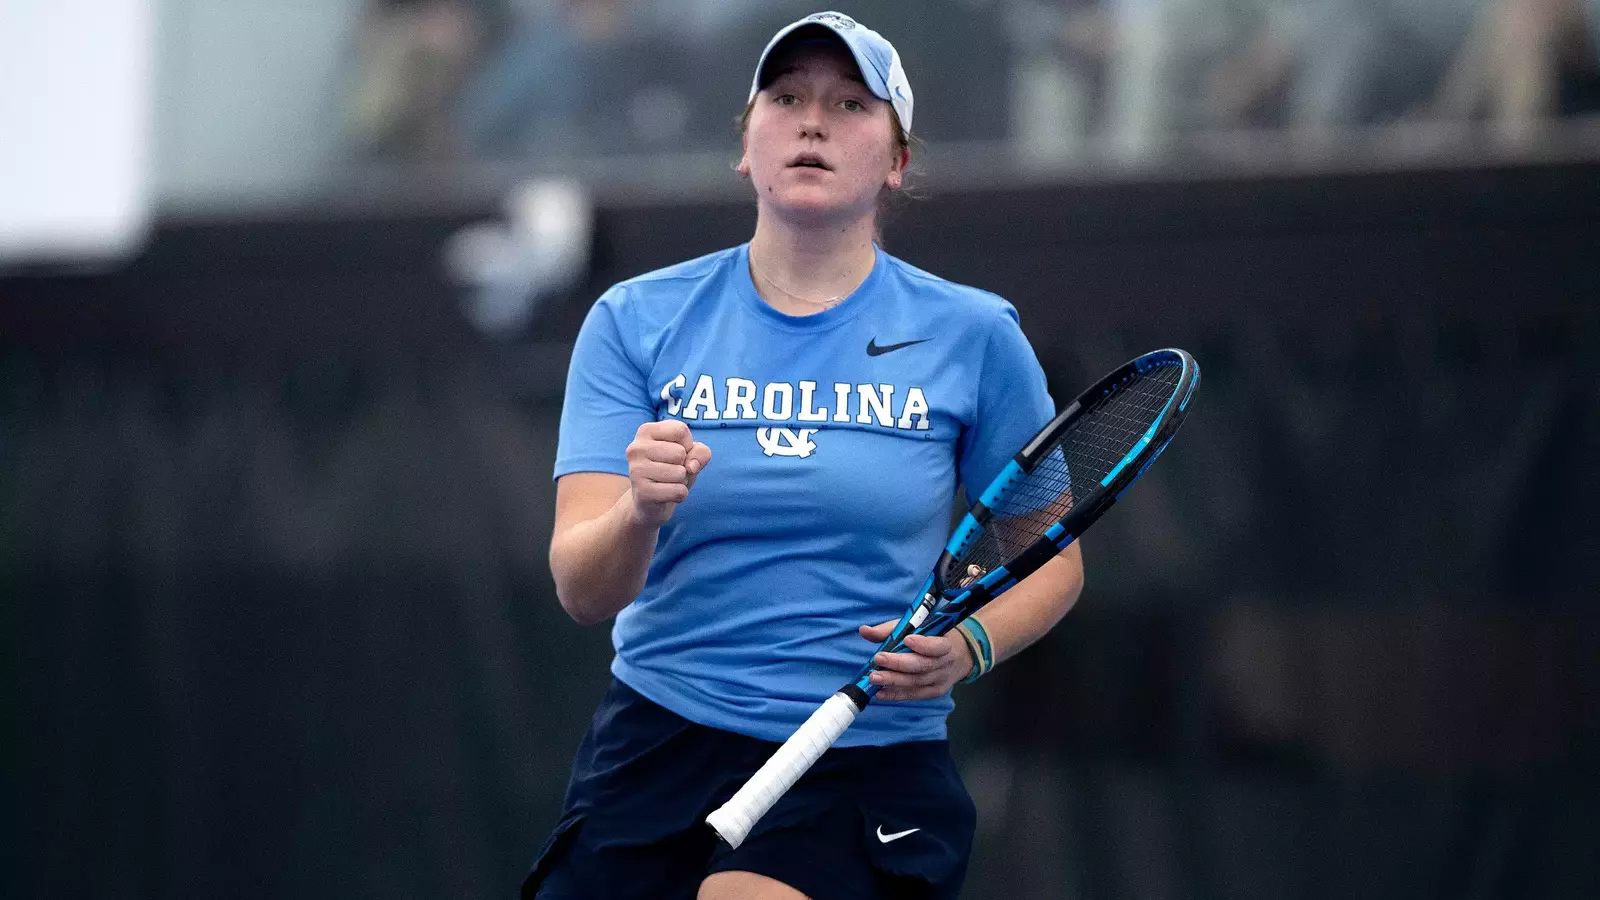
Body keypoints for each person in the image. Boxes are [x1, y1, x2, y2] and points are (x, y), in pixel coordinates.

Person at [526, 11, 1085, 899]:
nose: (813, 121)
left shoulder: (974, 335)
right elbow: (582, 590)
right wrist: (639, 510)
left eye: (850, 104)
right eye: (785, 98)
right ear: (746, 145)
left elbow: (1051, 557)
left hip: (858, 760)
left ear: (897, 161)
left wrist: (968, 645)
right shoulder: (635, 320)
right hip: (658, 739)